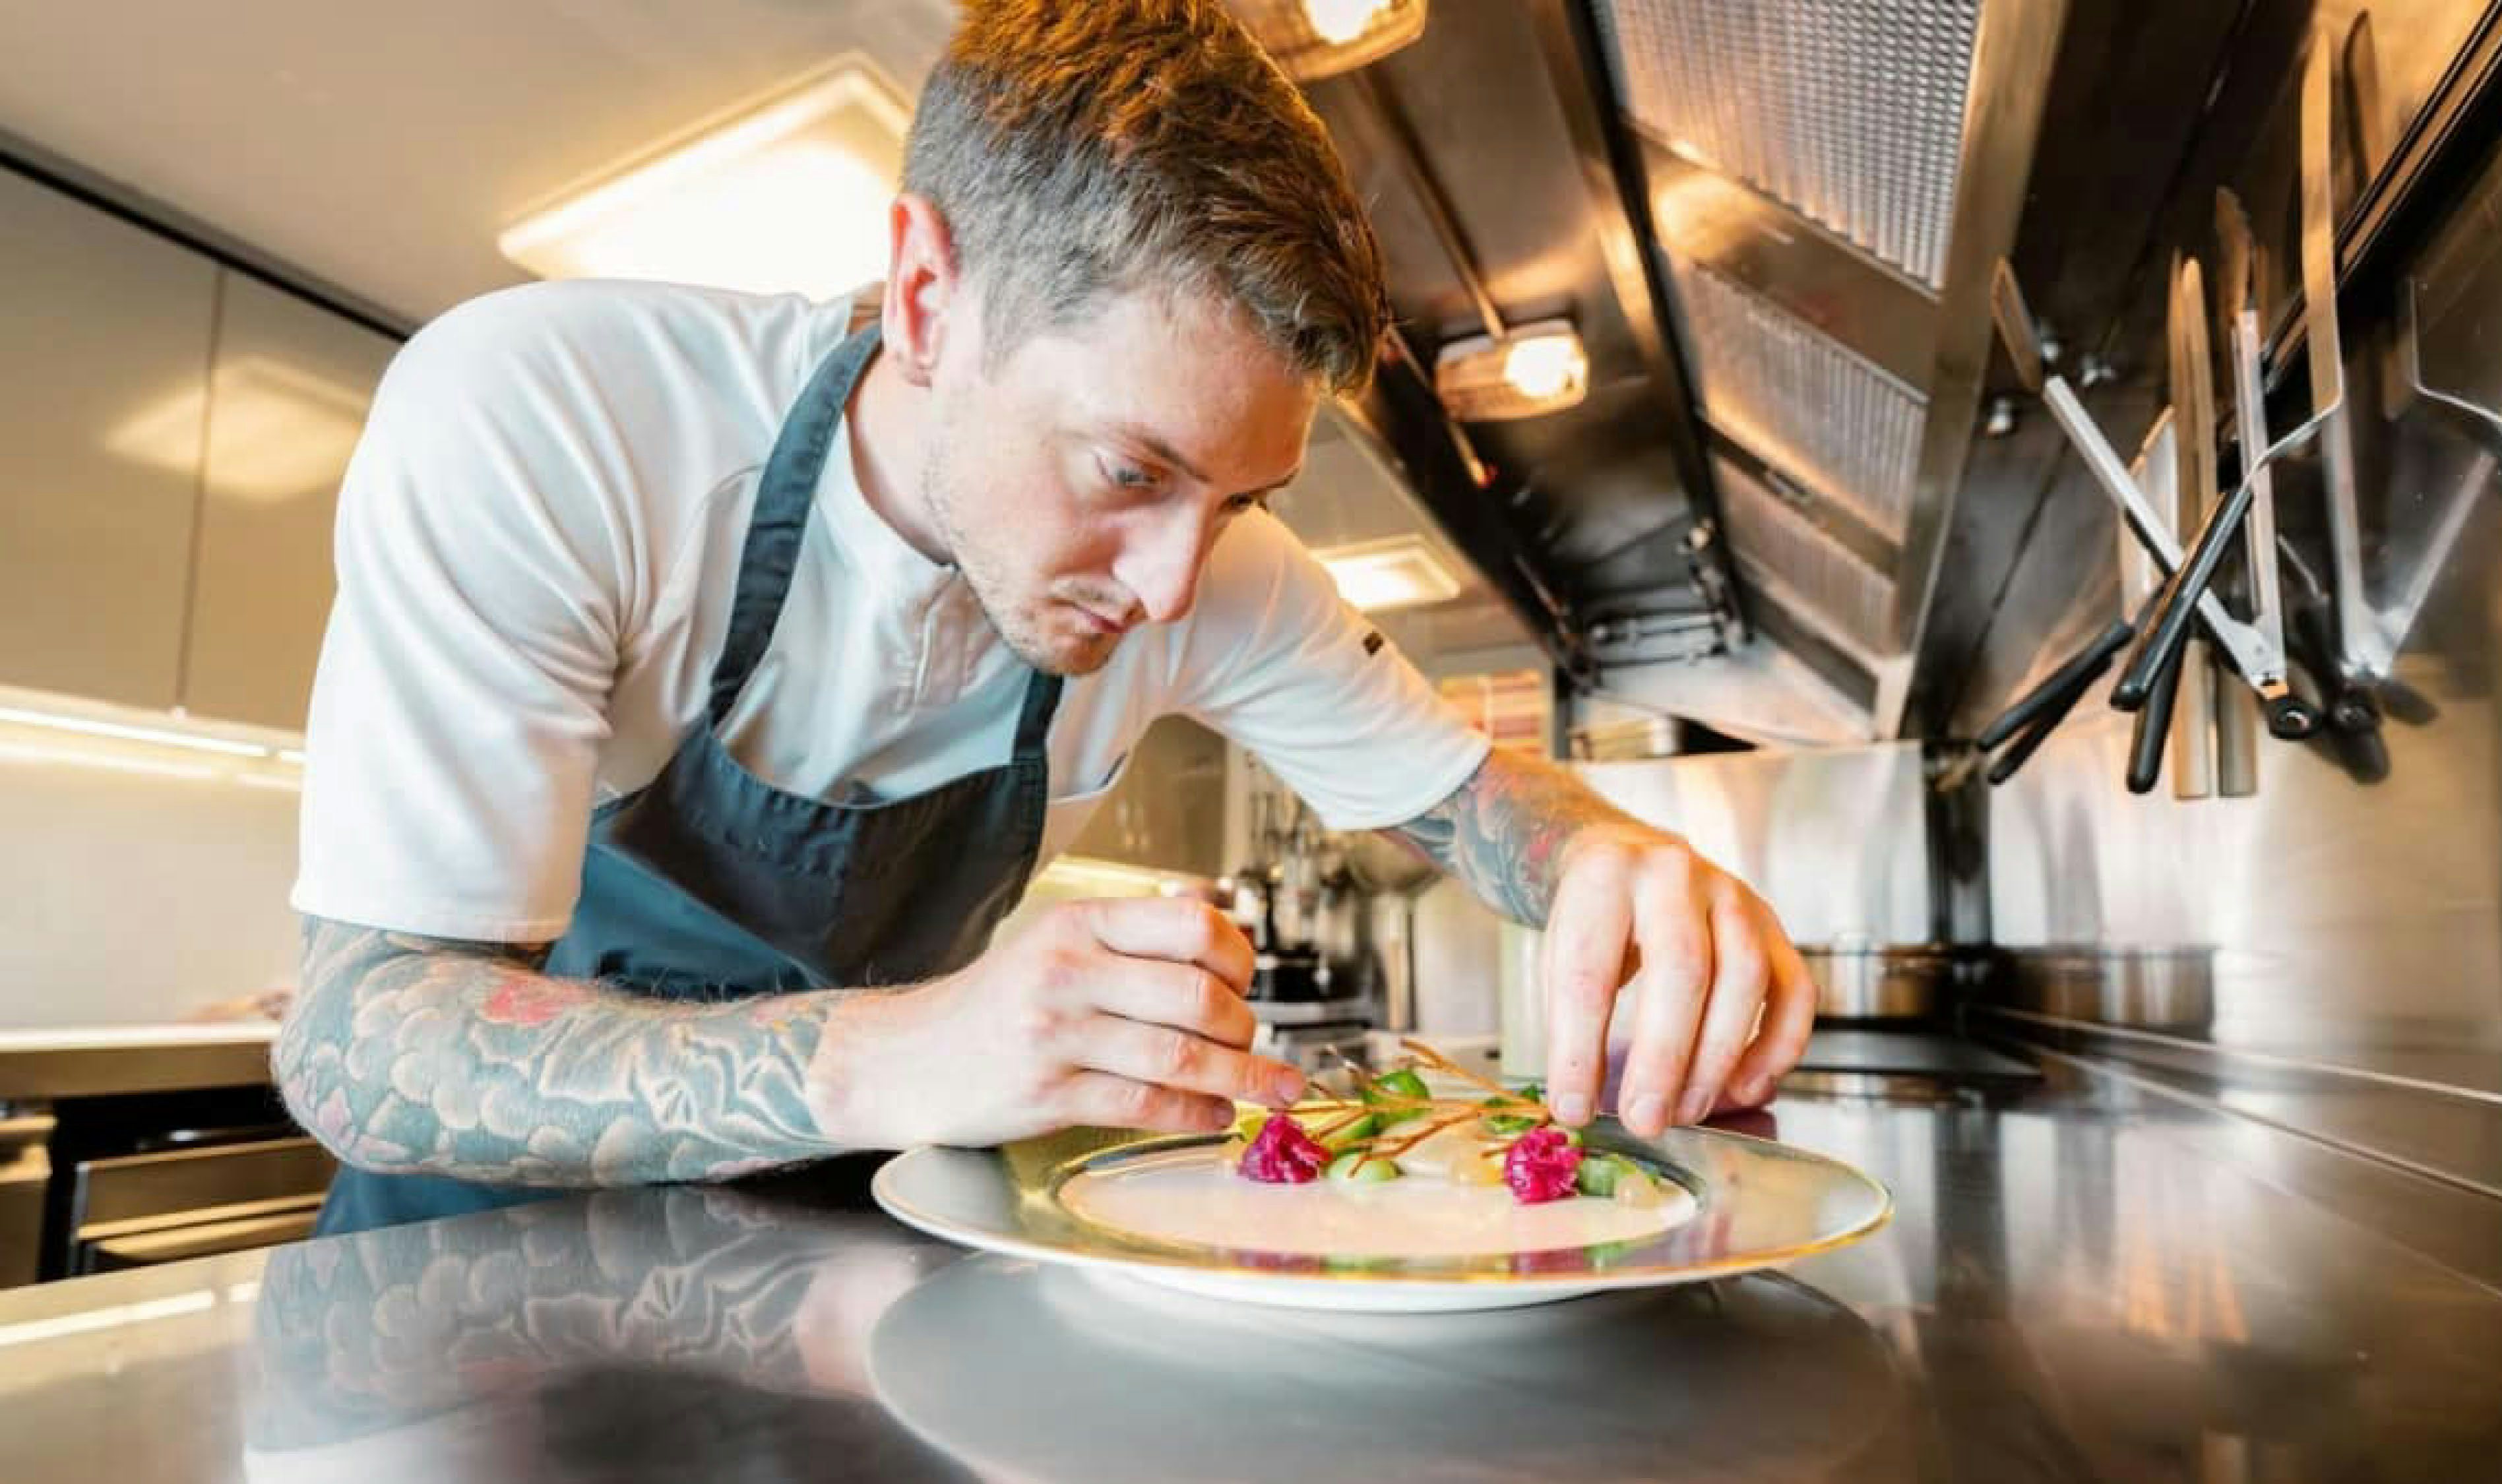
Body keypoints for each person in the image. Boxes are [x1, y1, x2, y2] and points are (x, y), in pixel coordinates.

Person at [276, 0, 1815, 1233]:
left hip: (835, 1290)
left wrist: (1620, 865)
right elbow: (365, 1040)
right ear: (928, 298)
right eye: (1127, 468)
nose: (1169, 585)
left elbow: (1472, 802)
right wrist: (912, 1049)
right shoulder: (563, 420)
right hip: (458, 1298)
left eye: (1236, 501)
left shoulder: (1205, 570)